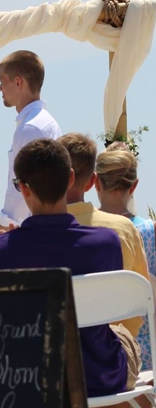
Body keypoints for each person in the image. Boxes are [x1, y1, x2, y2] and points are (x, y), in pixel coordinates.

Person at [0, 138, 140, 398]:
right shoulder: (106, 244)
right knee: (117, 332)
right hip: (100, 376)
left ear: (24, 189)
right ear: (71, 179)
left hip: (23, 381)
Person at [58, 133, 149, 339]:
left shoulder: (40, 233)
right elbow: (143, 298)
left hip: (61, 351)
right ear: (92, 182)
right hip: (117, 353)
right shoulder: (125, 230)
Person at [96, 146, 156, 371]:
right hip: (145, 354)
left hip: (95, 351)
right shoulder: (151, 231)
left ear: (95, 182)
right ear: (135, 185)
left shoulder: (84, 231)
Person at [0, 50, 61, 233]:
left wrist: (4, 225)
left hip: (31, 230)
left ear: (18, 82)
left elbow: (20, 185)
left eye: (1, 81)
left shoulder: (30, 128)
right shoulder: (47, 122)